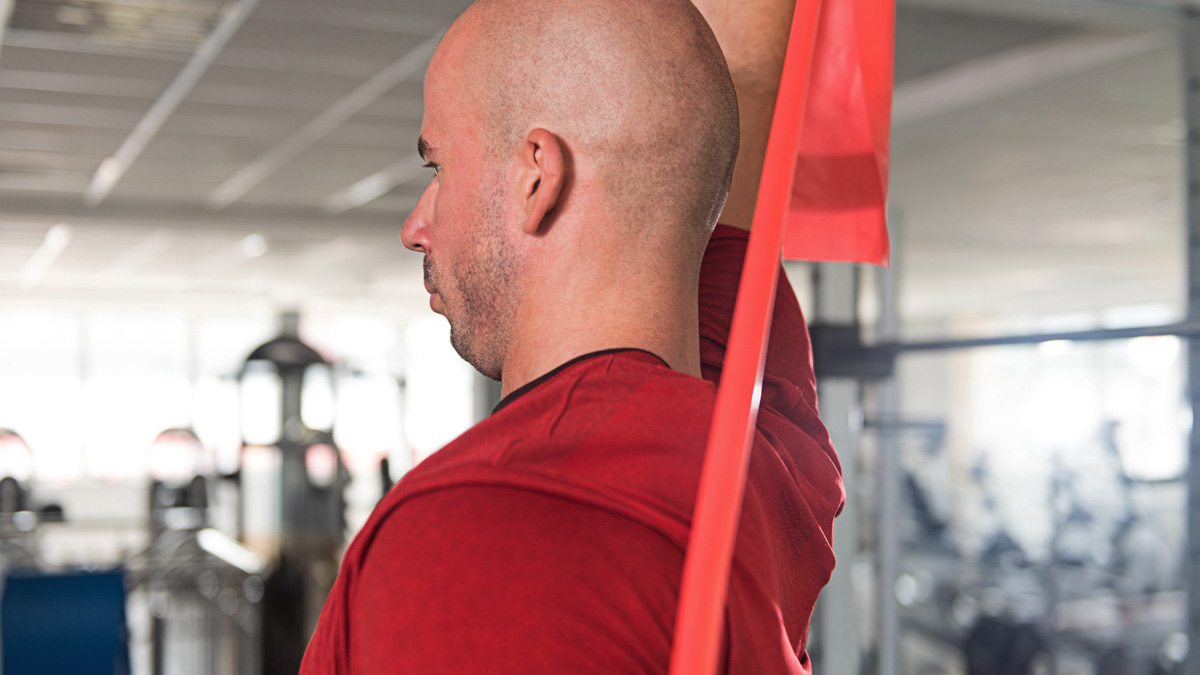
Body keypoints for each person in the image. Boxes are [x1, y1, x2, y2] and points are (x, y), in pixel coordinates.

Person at [300, 0, 843, 672]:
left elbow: (745, 79)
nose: (415, 225)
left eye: (436, 168)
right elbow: (748, 80)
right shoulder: (765, 434)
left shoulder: (483, 530)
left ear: (536, 175)